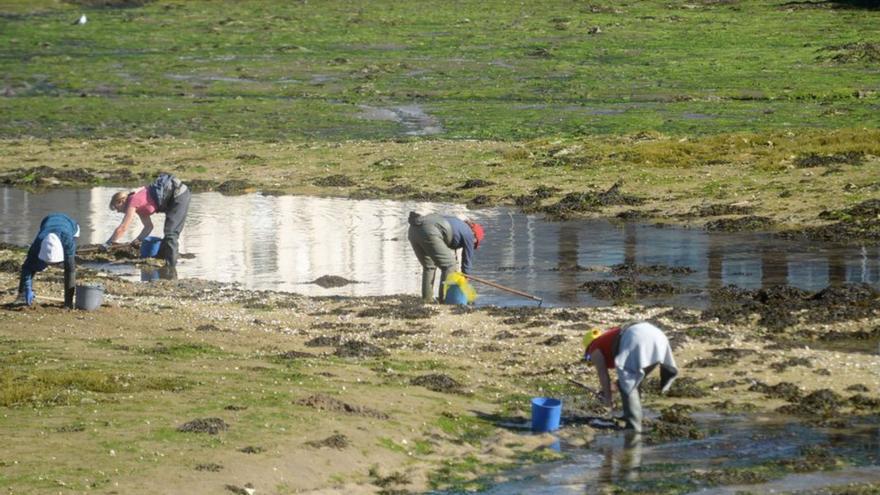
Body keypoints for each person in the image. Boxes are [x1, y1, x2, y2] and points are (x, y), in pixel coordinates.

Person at [583, 321, 679, 433]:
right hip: (657, 334)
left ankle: (634, 428)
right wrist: (616, 385)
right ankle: (630, 415)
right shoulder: (609, 337)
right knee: (632, 381)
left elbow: (603, 375)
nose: (590, 360)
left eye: (588, 357)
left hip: (635, 338)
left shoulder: (594, 347)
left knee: (628, 385)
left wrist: (608, 401)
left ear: (588, 346)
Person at [106, 173, 190, 268]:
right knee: (168, 233)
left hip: (179, 195)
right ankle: (164, 262)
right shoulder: (138, 206)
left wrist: (108, 244)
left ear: (120, 201)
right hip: (170, 201)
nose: (117, 211)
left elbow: (123, 227)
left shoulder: (133, 201)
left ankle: (171, 268)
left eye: (116, 207)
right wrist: (137, 240)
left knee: (171, 234)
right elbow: (148, 227)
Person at [407, 211, 484, 303]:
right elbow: (467, 260)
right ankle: (444, 300)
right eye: (475, 242)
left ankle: (427, 299)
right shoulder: (469, 234)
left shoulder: (456, 223)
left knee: (429, 266)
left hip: (413, 229)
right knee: (450, 265)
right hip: (430, 231)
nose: (473, 244)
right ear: (475, 235)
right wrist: (465, 278)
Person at [16, 213, 80, 308]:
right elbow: (27, 267)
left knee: (69, 265)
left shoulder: (68, 242)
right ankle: (21, 295)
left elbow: (70, 270)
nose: (51, 266)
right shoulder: (38, 243)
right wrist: (27, 288)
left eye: (55, 263)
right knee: (33, 264)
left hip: (71, 225)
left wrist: (68, 303)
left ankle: (68, 302)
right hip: (47, 221)